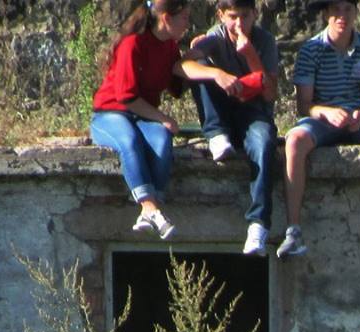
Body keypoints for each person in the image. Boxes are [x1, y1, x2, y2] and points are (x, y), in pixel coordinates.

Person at [280, 0, 360, 259]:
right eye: (336, 10)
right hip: (323, 119)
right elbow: (304, 105)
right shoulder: (311, 50)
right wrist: (327, 112)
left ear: (355, 12)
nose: (342, 16)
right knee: (294, 141)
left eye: (347, 9)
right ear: (326, 14)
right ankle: (293, 231)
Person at [181, 0, 281, 257]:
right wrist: (216, 73)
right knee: (202, 71)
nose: (239, 24)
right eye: (233, 17)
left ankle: (258, 223)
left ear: (255, 14)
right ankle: (216, 134)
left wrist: (251, 56)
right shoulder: (215, 36)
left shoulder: (264, 40)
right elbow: (182, 66)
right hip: (223, 111)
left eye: (245, 16)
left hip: (253, 112)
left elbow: (270, 94)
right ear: (221, 16)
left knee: (264, 144)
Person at [89, 0, 193, 243]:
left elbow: (176, 88)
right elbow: (126, 97)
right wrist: (163, 117)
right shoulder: (132, 43)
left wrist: (193, 58)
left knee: (162, 139)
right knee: (129, 141)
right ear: (166, 18)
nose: (188, 24)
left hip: (142, 116)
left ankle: (150, 209)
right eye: (184, 18)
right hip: (110, 113)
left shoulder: (169, 46)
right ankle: (150, 207)